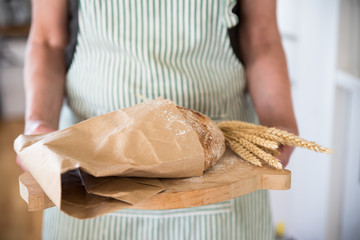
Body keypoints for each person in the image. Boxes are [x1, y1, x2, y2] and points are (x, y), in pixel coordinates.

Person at [19, 0, 298, 239]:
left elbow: (261, 37)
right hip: (88, 159)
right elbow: (48, 40)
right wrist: (39, 125)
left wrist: (278, 120)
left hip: (219, 167)